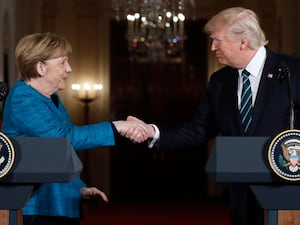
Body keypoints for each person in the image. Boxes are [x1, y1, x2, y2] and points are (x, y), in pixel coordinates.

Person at [122, 7, 300, 225]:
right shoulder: (219, 81)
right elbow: (199, 130)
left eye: (217, 40)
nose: (212, 47)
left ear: (243, 42)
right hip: (242, 198)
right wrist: (153, 132)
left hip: (289, 197)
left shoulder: (293, 71)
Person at [1, 32, 148, 225]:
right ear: (41, 67)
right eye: (62, 62)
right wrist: (117, 126)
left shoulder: (50, 97)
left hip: (56, 205)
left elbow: (56, 156)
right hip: (36, 208)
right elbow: (64, 140)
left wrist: (79, 189)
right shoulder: (23, 98)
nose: (69, 69)